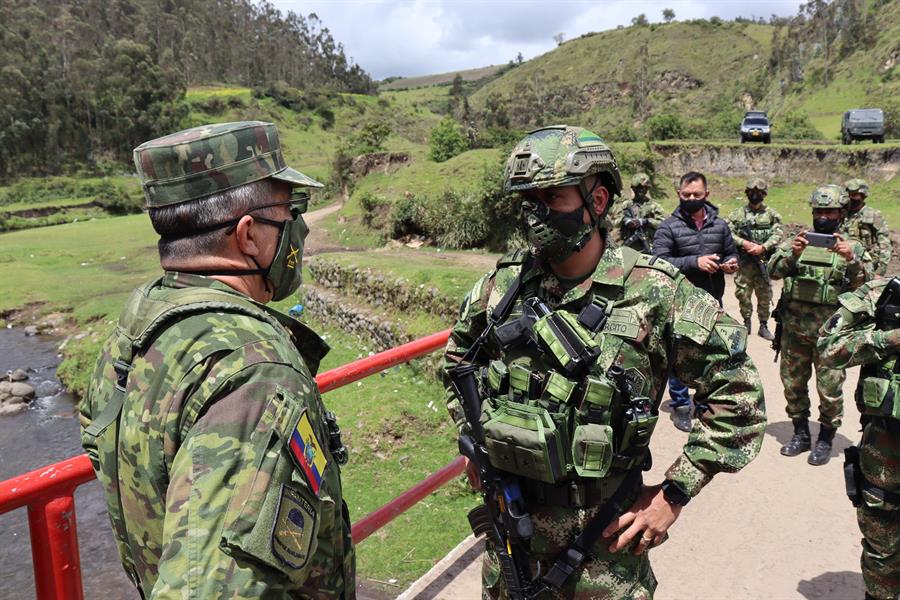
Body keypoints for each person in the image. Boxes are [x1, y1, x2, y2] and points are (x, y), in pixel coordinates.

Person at [443, 125, 766, 599]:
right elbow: (457, 361)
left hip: (604, 551)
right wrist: (472, 437)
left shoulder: (655, 292)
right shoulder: (503, 286)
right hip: (511, 539)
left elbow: (739, 395)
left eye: (551, 197)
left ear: (597, 200)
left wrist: (674, 493)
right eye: (527, 199)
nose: (536, 214)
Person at [79, 121, 355, 598]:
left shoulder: (142, 325)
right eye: (291, 210)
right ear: (248, 235)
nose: (300, 227)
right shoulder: (254, 375)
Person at [768, 184, 873, 466]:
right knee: (793, 385)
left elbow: (866, 284)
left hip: (831, 334)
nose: (824, 216)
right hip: (794, 330)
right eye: (819, 211)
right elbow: (773, 271)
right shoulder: (796, 241)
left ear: (841, 213)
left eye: (830, 211)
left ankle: (826, 437)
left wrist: (851, 259)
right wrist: (793, 252)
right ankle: (801, 433)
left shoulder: (854, 247)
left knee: (830, 389)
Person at [817, 277, 900, 600]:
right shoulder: (882, 293)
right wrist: (889, 339)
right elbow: (828, 347)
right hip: (885, 463)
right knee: (883, 555)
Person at [652, 171, 739, 432]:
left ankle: (704, 403)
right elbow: (658, 260)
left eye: (696, 195)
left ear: (706, 195)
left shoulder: (720, 226)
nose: (691, 198)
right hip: (681, 301)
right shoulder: (669, 227)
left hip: (713, 299)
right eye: (686, 194)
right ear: (679, 194)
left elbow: (732, 251)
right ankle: (680, 406)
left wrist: (733, 263)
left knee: (711, 352)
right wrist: (695, 262)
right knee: (679, 354)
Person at [727, 177, 784, 341]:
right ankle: (746, 323)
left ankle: (763, 326)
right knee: (743, 294)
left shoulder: (772, 214)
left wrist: (763, 247)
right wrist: (743, 242)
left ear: (764, 194)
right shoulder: (737, 214)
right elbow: (728, 233)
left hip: (763, 262)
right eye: (752, 192)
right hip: (744, 263)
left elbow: (778, 233)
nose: (755, 195)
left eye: (758, 192)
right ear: (746, 193)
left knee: (764, 294)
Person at [842, 178, 892, 277]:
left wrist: (880, 271)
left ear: (863, 195)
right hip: (842, 263)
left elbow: (884, 243)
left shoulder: (873, 215)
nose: (851, 198)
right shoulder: (841, 214)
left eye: (854, 195)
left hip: (864, 266)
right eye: (849, 194)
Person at [613, 172, 666, 253]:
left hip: (648, 246)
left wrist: (646, 221)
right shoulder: (626, 205)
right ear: (633, 188)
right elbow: (614, 223)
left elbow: (663, 224)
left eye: (644, 188)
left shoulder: (654, 206)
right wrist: (626, 221)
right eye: (638, 188)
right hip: (629, 247)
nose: (641, 190)